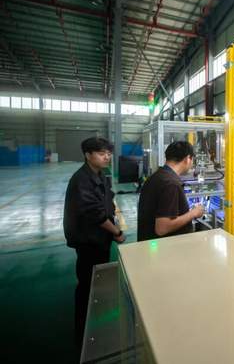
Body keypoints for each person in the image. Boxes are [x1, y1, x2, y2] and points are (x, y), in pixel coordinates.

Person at [63, 137, 125, 351]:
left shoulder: (100, 174)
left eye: (108, 153)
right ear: (88, 155)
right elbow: (94, 213)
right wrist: (117, 232)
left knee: (97, 279)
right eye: (101, 153)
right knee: (87, 283)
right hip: (89, 240)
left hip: (100, 239)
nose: (106, 157)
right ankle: (83, 332)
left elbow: (108, 201)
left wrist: (114, 221)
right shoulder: (82, 180)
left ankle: (94, 319)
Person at [137, 141, 204, 242]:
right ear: (187, 159)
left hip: (149, 244)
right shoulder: (171, 184)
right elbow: (162, 228)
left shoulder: (157, 176)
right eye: (192, 160)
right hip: (165, 247)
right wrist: (193, 213)